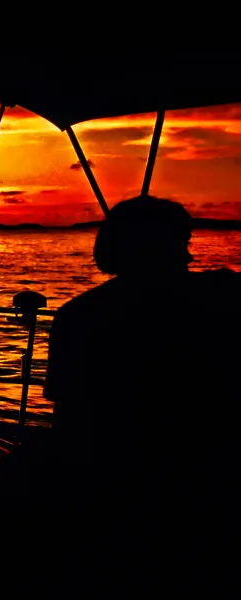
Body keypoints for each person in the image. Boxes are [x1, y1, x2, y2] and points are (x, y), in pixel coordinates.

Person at [41, 195, 241, 592]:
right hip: (208, 482)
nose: (188, 257)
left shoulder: (78, 316)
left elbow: (69, 418)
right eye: (181, 243)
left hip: (112, 483)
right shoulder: (222, 296)